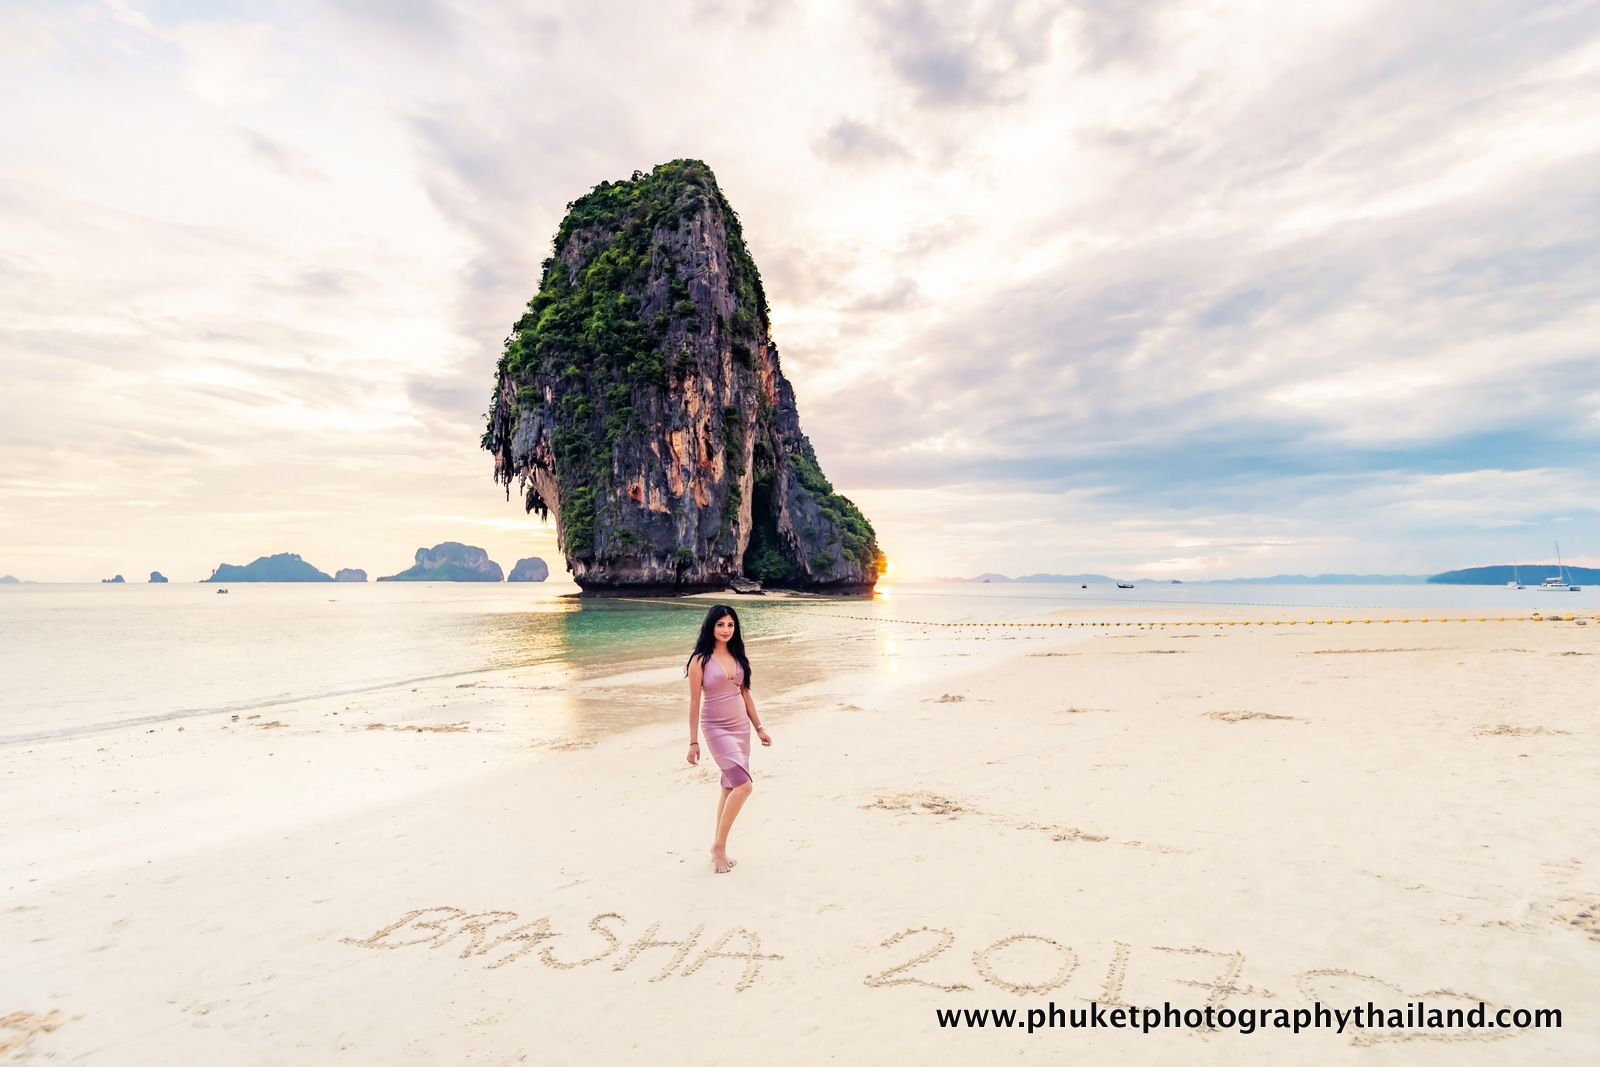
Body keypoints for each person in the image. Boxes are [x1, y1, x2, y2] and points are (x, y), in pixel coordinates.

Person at [685, 604, 771, 873]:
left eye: (730, 625)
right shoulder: (700, 660)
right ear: (711, 626)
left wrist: (759, 728)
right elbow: (694, 702)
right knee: (744, 787)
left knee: (728, 786)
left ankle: (718, 844)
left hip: (741, 728)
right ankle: (718, 847)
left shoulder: (738, 657)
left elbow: (745, 695)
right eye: (721, 624)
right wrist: (693, 741)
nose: (726, 630)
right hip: (715, 728)